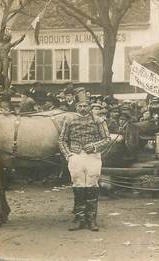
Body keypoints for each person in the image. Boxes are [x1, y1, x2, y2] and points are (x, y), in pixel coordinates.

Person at [58, 87, 111, 231]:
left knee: (92, 185)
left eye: (85, 106)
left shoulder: (98, 120)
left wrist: (94, 146)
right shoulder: (69, 120)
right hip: (75, 156)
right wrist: (68, 154)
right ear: (76, 107)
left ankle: (91, 219)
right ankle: (80, 219)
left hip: (93, 156)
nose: (83, 108)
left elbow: (107, 139)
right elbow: (61, 140)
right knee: (78, 185)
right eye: (80, 106)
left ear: (89, 106)